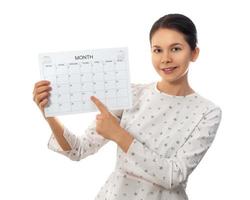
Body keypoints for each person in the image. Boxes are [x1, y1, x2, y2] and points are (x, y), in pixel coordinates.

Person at [33, 13, 222, 200]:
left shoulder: (207, 112)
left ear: (194, 53)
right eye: (157, 50)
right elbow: (78, 150)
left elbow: (173, 176)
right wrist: (49, 112)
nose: (165, 58)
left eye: (175, 49)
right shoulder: (131, 94)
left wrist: (119, 134)